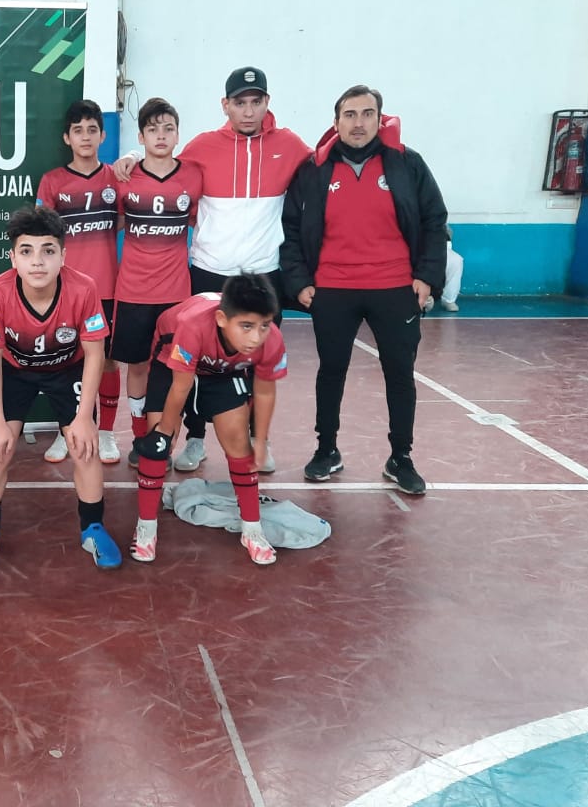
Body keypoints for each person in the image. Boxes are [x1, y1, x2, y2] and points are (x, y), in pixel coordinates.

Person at [115, 67, 310, 473]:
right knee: (198, 362)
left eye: (256, 101)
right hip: (208, 273)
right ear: (226, 105)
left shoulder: (289, 145)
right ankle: (196, 439)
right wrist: (131, 157)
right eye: (240, 102)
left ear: (267, 103)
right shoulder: (203, 146)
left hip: (263, 273)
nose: (248, 110)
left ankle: (257, 440)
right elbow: (162, 160)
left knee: (256, 361)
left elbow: (324, 162)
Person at [280, 85, 448, 496]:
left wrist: (426, 277)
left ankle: (401, 457)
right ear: (336, 122)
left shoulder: (407, 164)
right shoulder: (314, 168)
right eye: (350, 115)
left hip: (395, 287)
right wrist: (299, 281)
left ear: (379, 118)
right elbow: (291, 227)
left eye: (367, 114)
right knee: (331, 371)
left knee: (399, 374)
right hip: (332, 288)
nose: (359, 123)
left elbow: (434, 221)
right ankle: (326, 450)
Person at [0, 205, 122, 572]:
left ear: (63, 255)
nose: (37, 261)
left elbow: (95, 354)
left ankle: (93, 528)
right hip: (16, 370)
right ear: (12, 258)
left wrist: (85, 417)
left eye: (48, 250)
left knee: (85, 447)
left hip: (67, 369)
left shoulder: (83, 287)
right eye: (27, 251)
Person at [130, 275, 287, 565]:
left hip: (223, 371)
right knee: (159, 444)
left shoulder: (271, 340)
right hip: (172, 359)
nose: (256, 337)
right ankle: (146, 528)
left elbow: (265, 391)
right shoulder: (192, 325)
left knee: (239, 443)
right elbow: (181, 387)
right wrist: (163, 434)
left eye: (264, 325)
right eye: (247, 326)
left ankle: (252, 530)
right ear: (222, 319)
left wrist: (260, 440)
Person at [111, 97, 203, 467]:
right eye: (152, 129)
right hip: (132, 290)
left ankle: (164, 439)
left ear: (178, 134)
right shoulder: (124, 177)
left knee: (173, 369)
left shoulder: (194, 175)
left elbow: (200, 220)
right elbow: (111, 222)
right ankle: (139, 438)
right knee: (136, 366)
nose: (161, 135)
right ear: (141, 136)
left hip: (176, 294)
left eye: (168, 128)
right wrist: (129, 158)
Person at [35, 99, 123, 465]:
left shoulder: (117, 178)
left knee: (108, 361)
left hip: (108, 287)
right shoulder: (53, 181)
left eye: (92, 130)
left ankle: (106, 434)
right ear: (66, 138)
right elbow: (42, 234)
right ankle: (67, 429)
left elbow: (122, 221)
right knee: (67, 361)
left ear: (103, 136)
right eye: (78, 130)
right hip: (65, 289)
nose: (85, 137)